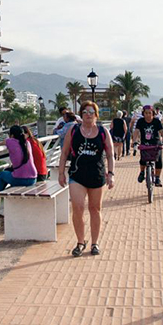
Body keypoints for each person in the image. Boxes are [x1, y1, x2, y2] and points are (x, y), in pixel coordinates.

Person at [58, 101, 115, 257]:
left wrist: (111, 174)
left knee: (95, 209)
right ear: (81, 115)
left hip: (97, 175)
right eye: (85, 112)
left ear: (96, 115)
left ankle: (95, 243)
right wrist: (61, 172)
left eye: (91, 112)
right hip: (77, 174)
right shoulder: (74, 130)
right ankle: (80, 242)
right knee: (77, 208)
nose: (88, 114)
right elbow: (64, 153)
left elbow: (110, 154)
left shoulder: (103, 131)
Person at [0, 125, 39, 215]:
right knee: (8, 173)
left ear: (12, 135)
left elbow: (1, 143)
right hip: (33, 178)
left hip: (21, 179)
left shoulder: (10, 141)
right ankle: (0, 203)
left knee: (2, 175)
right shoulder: (27, 143)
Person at [133, 105, 163, 186]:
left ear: (153, 113)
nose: (148, 115)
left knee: (159, 161)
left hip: (156, 144)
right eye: (146, 113)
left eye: (150, 113)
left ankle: (157, 178)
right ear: (143, 113)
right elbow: (136, 131)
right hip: (144, 144)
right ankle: (142, 172)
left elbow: (162, 132)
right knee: (143, 159)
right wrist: (134, 141)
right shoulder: (140, 121)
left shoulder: (157, 121)